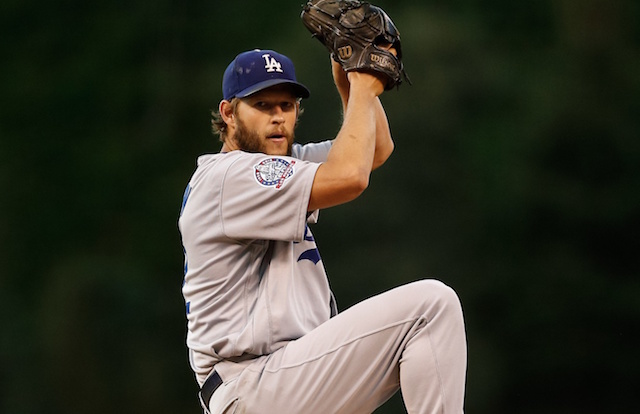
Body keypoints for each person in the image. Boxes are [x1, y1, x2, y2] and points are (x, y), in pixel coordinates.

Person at [178, 48, 467, 414]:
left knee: (426, 316)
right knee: (431, 307)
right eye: (262, 105)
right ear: (229, 114)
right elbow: (350, 177)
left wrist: (348, 76)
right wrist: (364, 83)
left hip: (287, 379)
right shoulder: (227, 177)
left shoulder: (283, 162)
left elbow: (374, 149)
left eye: (286, 105)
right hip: (251, 383)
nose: (277, 117)